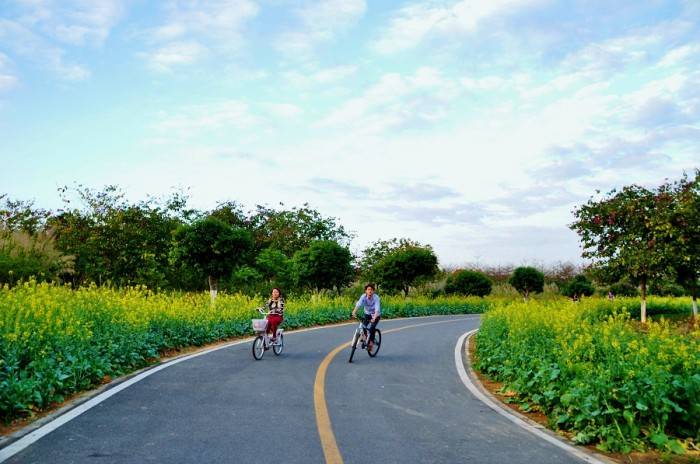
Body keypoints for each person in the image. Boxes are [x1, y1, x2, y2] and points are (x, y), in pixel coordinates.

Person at [352, 283, 381, 351]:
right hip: (367, 314)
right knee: (363, 326)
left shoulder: (376, 298)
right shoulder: (363, 296)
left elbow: (377, 308)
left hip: (375, 315)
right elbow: (358, 304)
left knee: (372, 327)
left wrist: (374, 318)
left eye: (371, 290)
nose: (370, 291)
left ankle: (371, 343)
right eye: (368, 289)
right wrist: (354, 312)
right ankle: (365, 338)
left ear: (373, 291)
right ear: (366, 291)